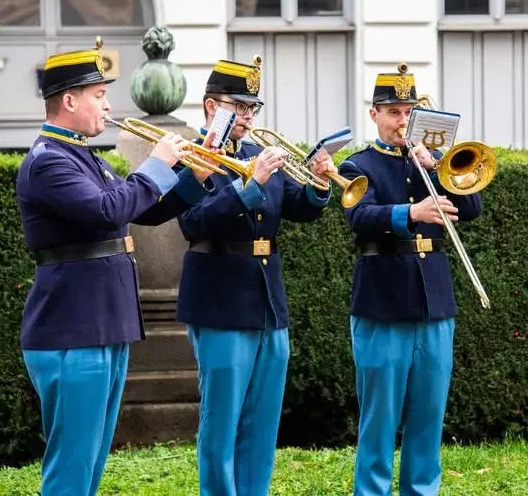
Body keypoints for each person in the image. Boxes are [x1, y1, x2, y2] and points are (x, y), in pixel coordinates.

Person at [16, 43, 215, 496]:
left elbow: (141, 210)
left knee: (91, 461)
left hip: (102, 324)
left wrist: (192, 179)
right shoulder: (49, 162)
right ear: (70, 100)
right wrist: (157, 163)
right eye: (100, 95)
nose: (108, 106)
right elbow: (110, 209)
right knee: (71, 465)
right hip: (72, 330)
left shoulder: (83, 156)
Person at [175, 56, 338, 495]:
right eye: (240, 106)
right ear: (212, 107)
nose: (248, 117)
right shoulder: (189, 156)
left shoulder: (254, 153)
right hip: (220, 299)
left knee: (263, 419)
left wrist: (320, 184)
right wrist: (249, 187)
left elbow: (297, 207)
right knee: (221, 420)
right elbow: (192, 223)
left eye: (253, 108)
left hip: (267, 299)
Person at [336, 66, 483, 495]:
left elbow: (471, 209)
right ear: (374, 115)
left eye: (408, 112)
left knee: (427, 419)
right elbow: (358, 218)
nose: (402, 121)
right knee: (378, 422)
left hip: (434, 303)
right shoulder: (357, 164)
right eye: (394, 112)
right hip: (382, 303)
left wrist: (436, 166)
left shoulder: (430, 162)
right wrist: (411, 214)